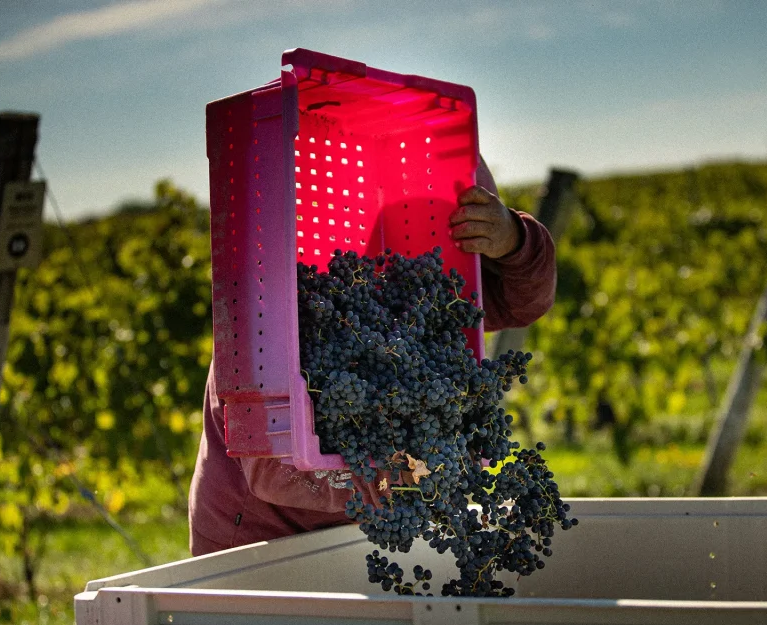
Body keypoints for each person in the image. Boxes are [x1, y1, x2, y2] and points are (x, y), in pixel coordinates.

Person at [188, 160, 557, 556]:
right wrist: (387, 480)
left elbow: (517, 303)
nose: (435, 263)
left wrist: (518, 242)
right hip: (251, 537)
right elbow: (270, 472)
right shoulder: (272, 320)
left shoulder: (415, 308)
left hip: (357, 533)